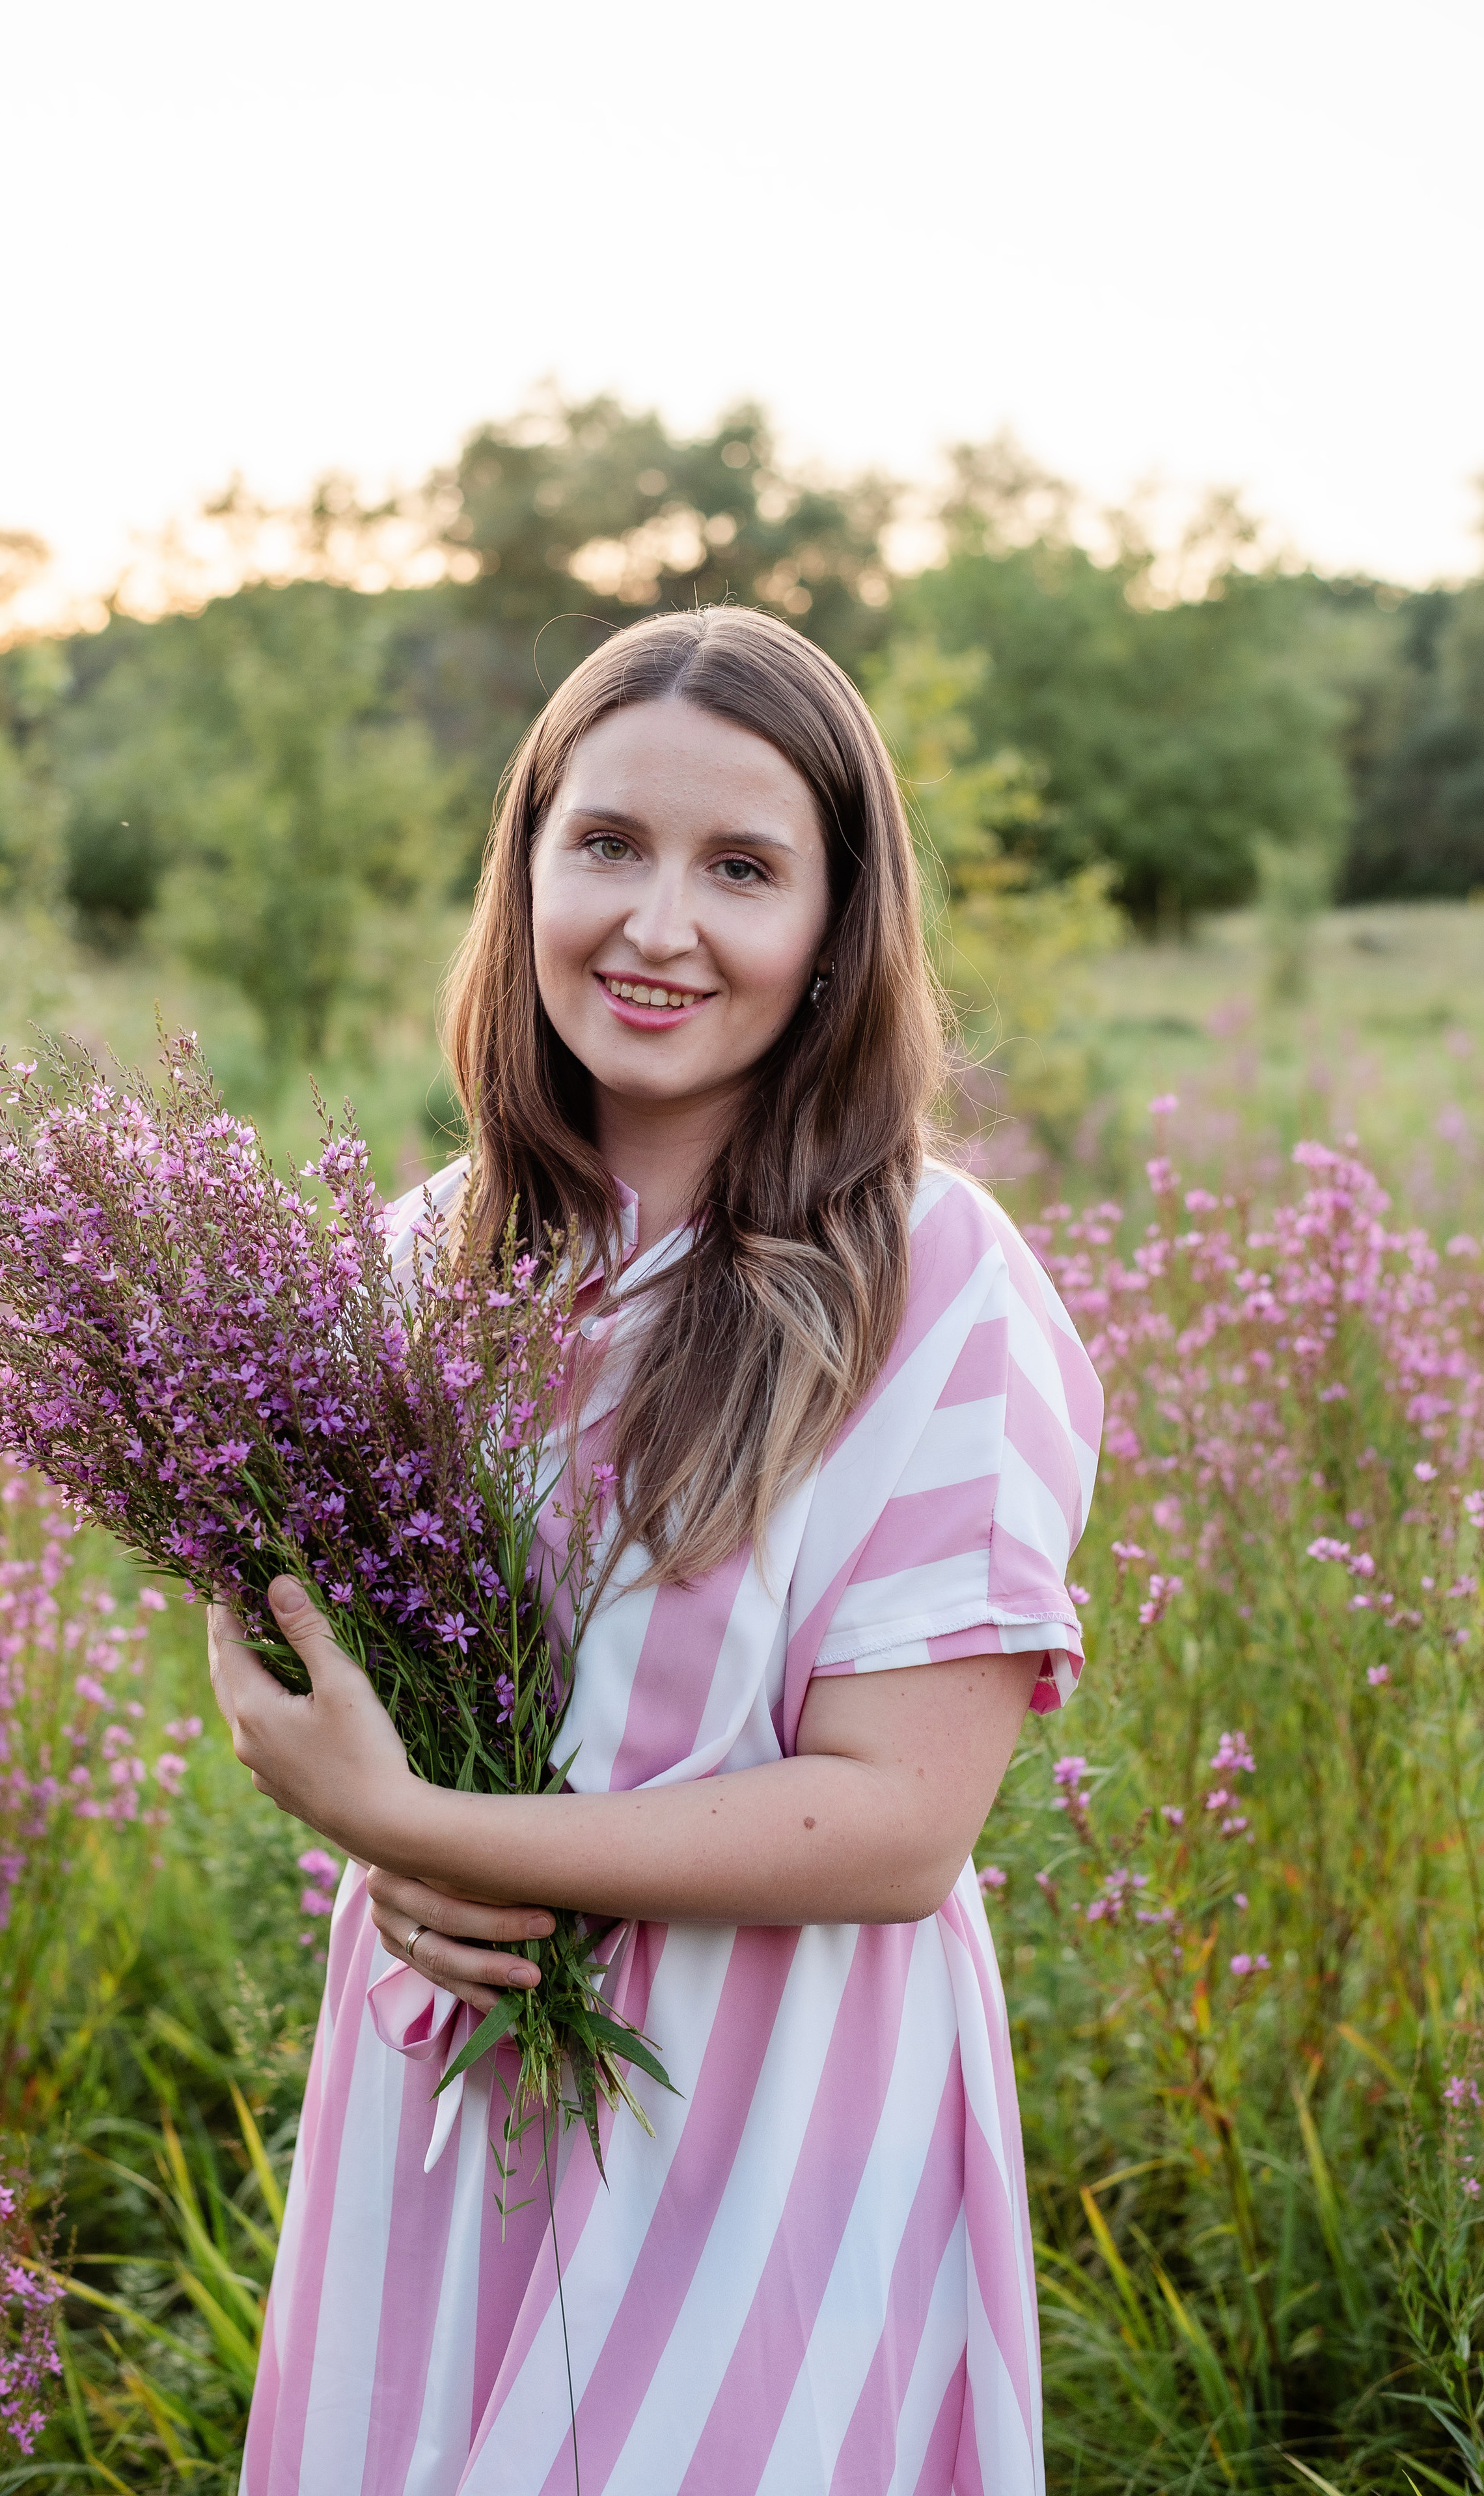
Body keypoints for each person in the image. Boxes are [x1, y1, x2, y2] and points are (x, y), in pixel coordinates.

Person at [209, 606, 1103, 2496]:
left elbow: (896, 1825)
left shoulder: (937, 1289)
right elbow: (307, 1656)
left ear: (836, 926)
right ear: (525, 859)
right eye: (606, 842)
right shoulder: (421, 1260)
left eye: (743, 868)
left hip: (774, 2119)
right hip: (449, 2096)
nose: (660, 922)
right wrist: (339, 1774)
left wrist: (427, 1830)